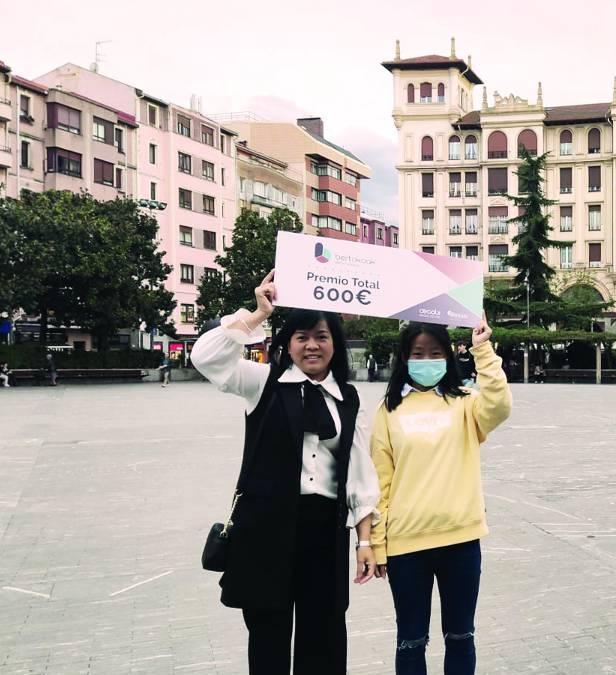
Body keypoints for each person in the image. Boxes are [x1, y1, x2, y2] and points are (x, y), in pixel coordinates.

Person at [191, 270, 381, 675]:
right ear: (288, 343)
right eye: (301, 337)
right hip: (265, 531)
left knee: (325, 638)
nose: (312, 345)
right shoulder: (264, 382)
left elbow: (360, 473)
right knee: (268, 638)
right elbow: (205, 357)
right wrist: (258, 314)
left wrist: (365, 540)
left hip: (324, 533)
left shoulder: (348, 399)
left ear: (335, 344)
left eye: (322, 336)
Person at [371, 318, 512, 675]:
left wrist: (483, 351)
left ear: (449, 357)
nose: (427, 360)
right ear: (404, 358)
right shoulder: (388, 411)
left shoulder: (465, 403)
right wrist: (377, 543)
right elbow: (379, 484)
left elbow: (500, 406)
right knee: (411, 641)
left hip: (461, 540)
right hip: (406, 547)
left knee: (461, 636)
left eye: (435, 353)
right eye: (418, 353)